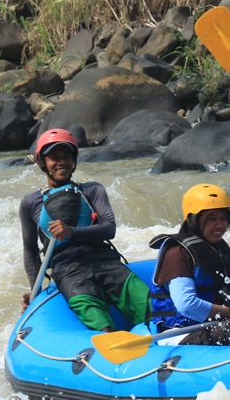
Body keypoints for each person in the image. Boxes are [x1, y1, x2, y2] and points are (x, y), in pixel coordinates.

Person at [19, 129, 150, 332]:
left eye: (66, 156)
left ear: (74, 160)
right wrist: (35, 290)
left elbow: (109, 228)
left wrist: (71, 232)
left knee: (155, 310)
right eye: (54, 157)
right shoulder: (30, 202)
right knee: (102, 328)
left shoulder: (92, 190)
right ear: (42, 163)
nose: (61, 162)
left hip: (106, 263)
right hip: (68, 272)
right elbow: (31, 250)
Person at [147, 183, 230, 345]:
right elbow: (187, 305)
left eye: (223, 218)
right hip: (179, 334)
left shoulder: (218, 248)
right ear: (193, 220)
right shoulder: (177, 253)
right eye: (211, 219)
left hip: (212, 325)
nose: (220, 225)